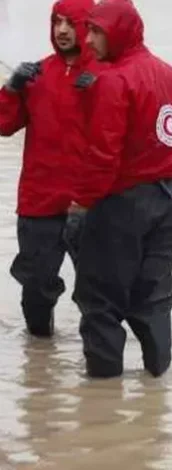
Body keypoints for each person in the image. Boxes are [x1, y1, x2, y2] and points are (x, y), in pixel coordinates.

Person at [70, 0, 172, 378]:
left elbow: (101, 156)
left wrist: (81, 203)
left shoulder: (113, 81)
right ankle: (157, 390)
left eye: (96, 32)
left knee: (100, 301)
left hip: (123, 203)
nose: (88, 40)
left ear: (120, 32)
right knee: (154, 297)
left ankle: (102, 402)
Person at [0, 0, 104, 338]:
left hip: (91, 204)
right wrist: (11, 88)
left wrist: (101, 91)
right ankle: (40, 361)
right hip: (39, 201)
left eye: (70, 23)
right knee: (35, 287)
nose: (61, 30)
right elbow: (3, 125)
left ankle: (101, 366)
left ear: (89, 27)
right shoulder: (37, 75)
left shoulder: (107, 74)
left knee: (98, 291)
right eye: (56, 22)